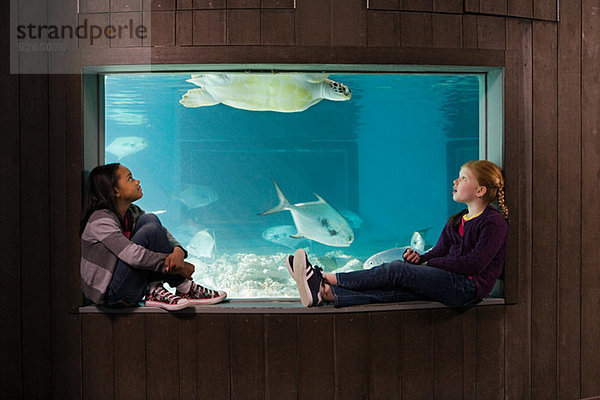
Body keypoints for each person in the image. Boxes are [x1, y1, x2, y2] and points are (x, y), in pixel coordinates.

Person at [286, 160, 509, 308]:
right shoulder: (458, 219)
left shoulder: (493, 222)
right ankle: (325, 293)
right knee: (398, 289)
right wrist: (420, 258)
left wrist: (427, 266)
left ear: (480, 191)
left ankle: (324, 278)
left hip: (469, 289)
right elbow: (439, 250)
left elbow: (474, 264)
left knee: (396, 270)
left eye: (463, 178)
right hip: (451, 282)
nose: (455, 181)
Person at [80, 163, 226, 311]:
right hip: (113, 295)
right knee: (150, 230)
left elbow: (162, 232)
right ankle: (184, 288)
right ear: (115, 191)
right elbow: (133, 255)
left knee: (150, 219)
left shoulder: (132, 212)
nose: (137, 181)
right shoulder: (100, 220)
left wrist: (178, 251)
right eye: (130, 178)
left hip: (128, 285)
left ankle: (155, 290)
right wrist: (176, 268)